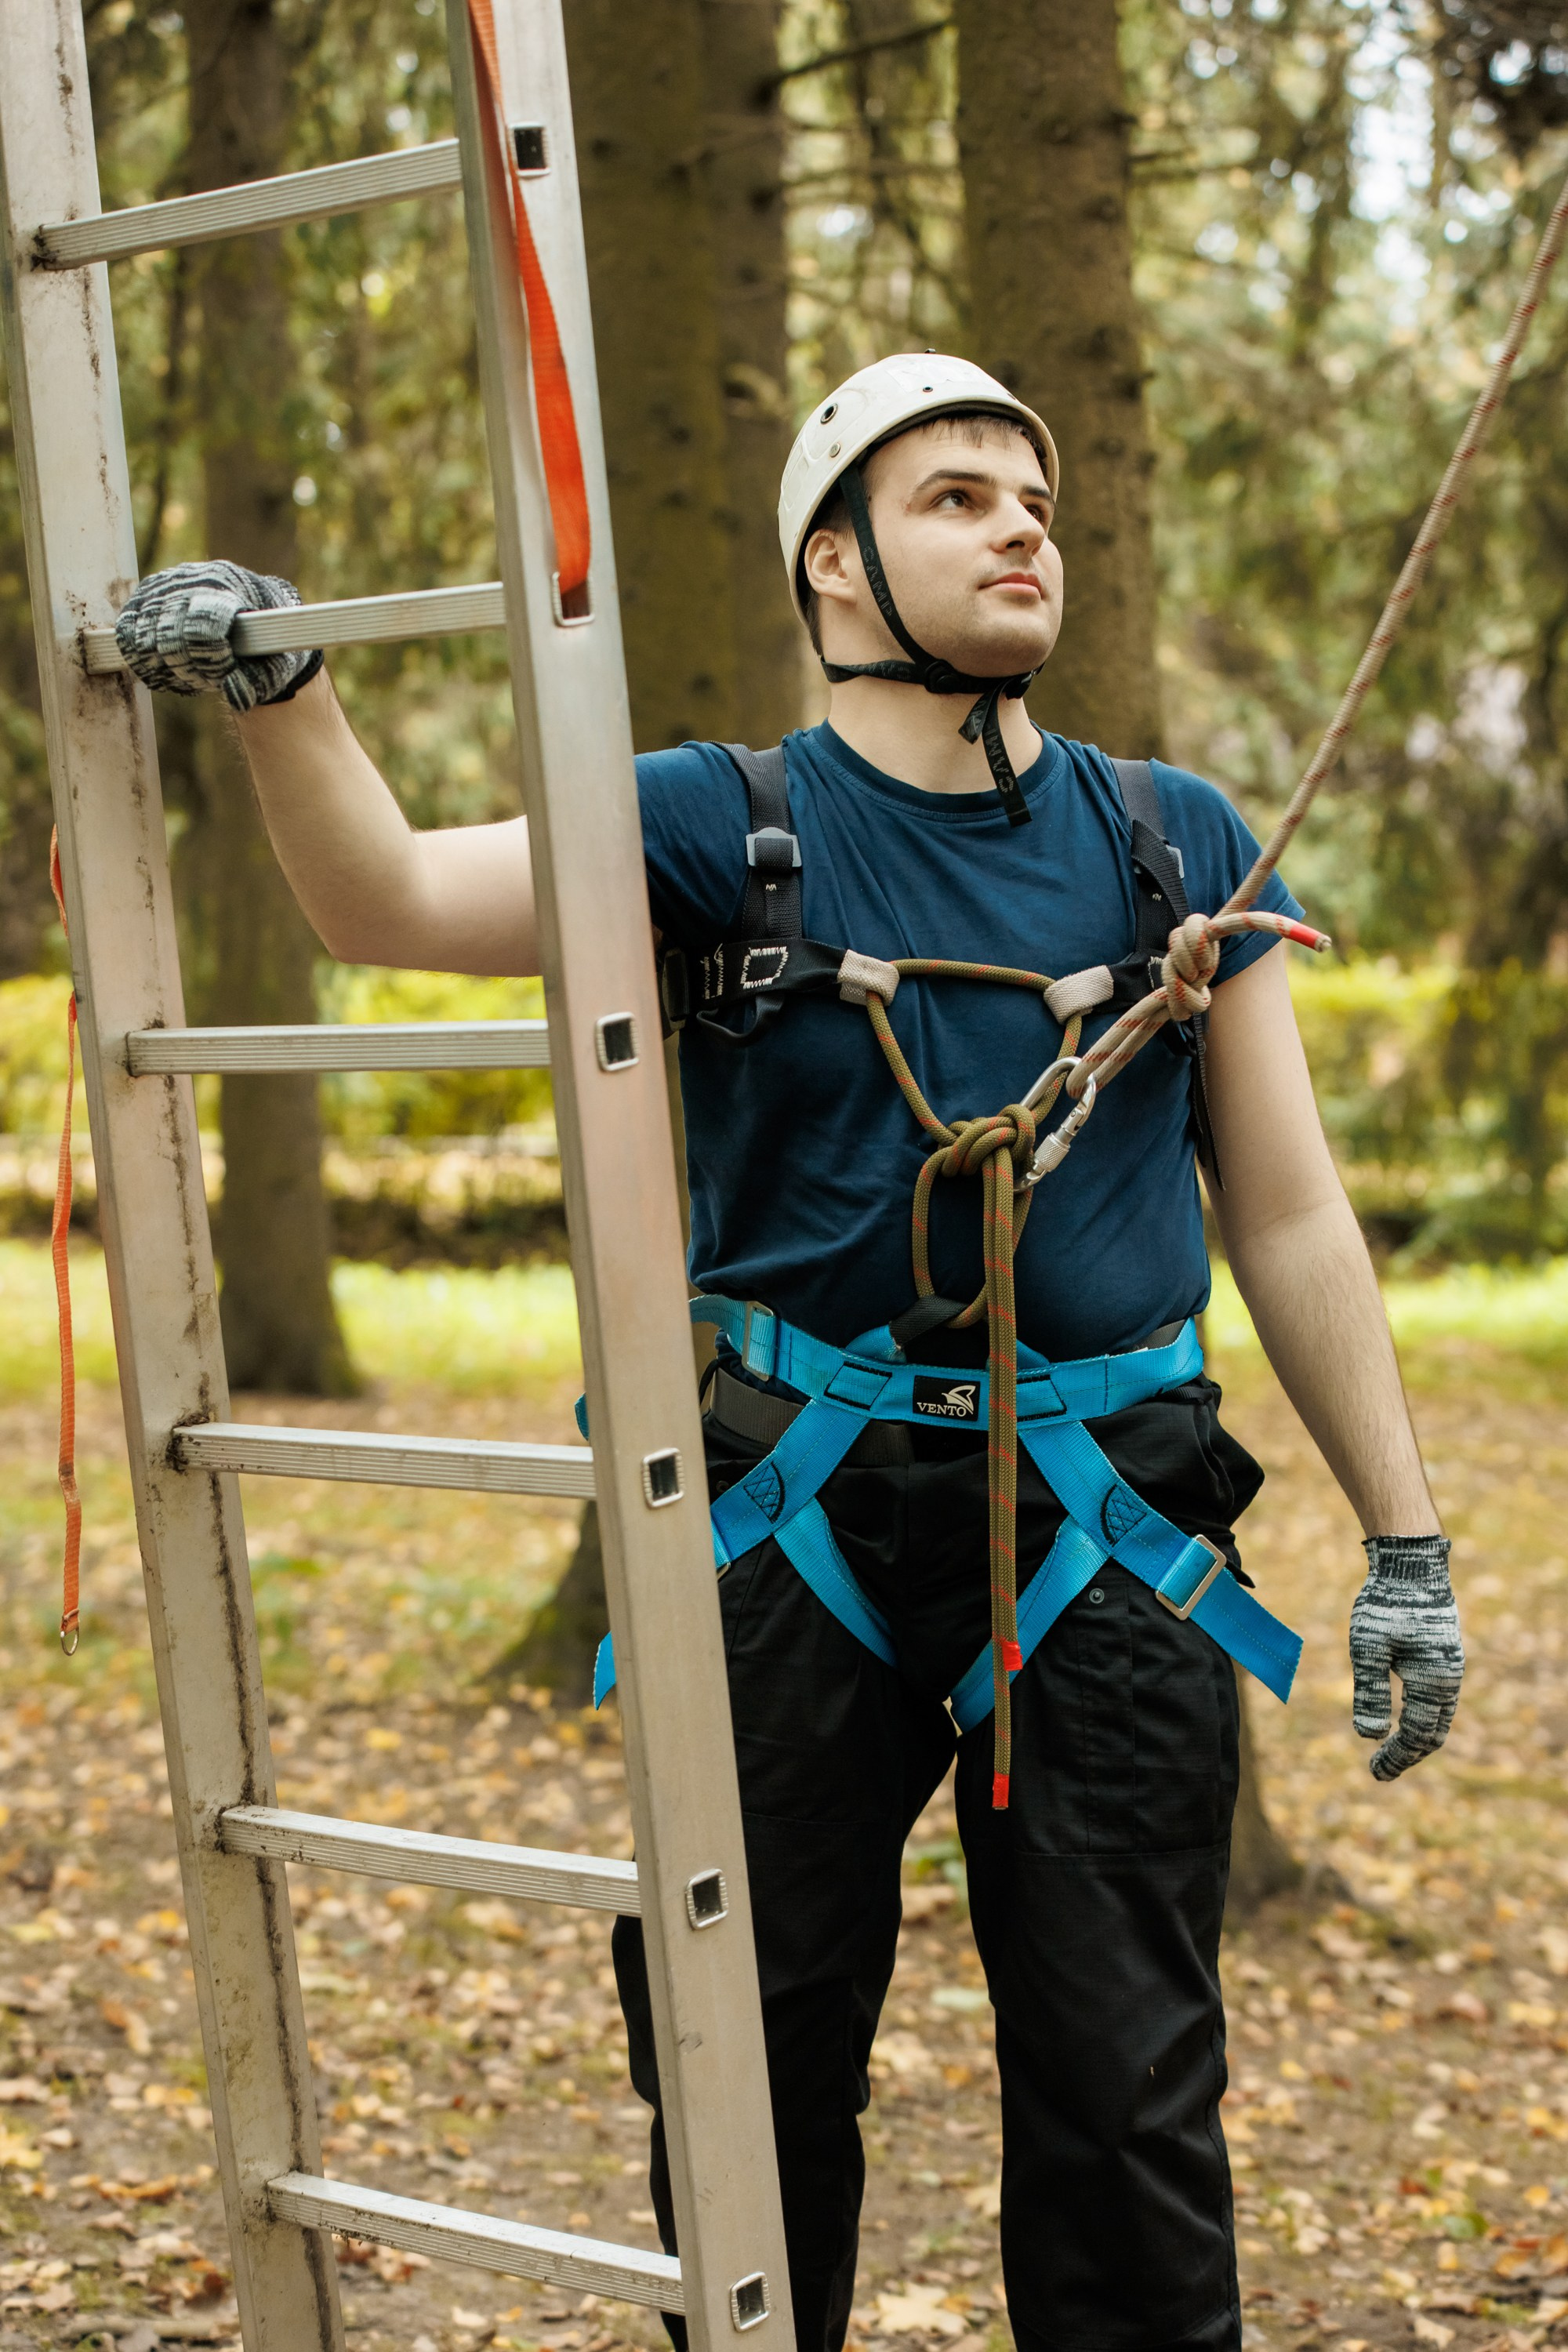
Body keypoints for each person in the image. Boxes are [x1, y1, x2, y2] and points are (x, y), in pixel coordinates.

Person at [114, 352, 1464, 2352]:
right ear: (834, 569)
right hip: (789, 1531)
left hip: (1112, 1540)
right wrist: (279, 693)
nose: (1025, 527)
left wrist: (1406, 1538)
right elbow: (385, 901)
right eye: (958, 499)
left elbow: (1282, 1210)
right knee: (739, 2080)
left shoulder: (1174, 846)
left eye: (1039, 501)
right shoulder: (712, 828)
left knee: (1130, 2103)